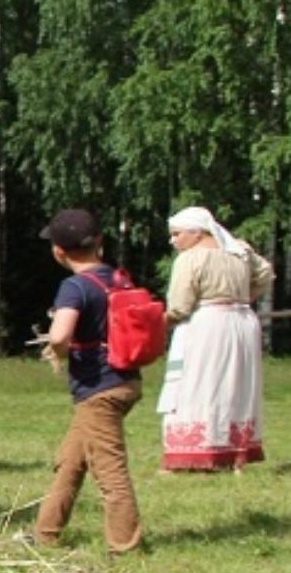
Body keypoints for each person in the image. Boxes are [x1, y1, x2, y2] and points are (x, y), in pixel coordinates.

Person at [32, 209, 143, 554]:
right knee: (71, 461)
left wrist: (56, 347)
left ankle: (125, 545)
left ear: (58, 251)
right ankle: (45, 533)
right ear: (100, 243)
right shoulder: (118, 278)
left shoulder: (74, 287)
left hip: (99, 390)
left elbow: (61, 334)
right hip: (126, 380)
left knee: (110, 471)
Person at [158, 206, 273, 472]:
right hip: (243, 321)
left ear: (197, 233)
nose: (173, 241)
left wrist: (158, 324)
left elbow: (180, 305)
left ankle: (193, 453)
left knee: (198, 384)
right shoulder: (239, 250)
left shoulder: (191, 258)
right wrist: (245, 297)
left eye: (177, 234)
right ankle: (233, 454)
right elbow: (265, 272)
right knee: (236, 387)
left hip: (208, 324)